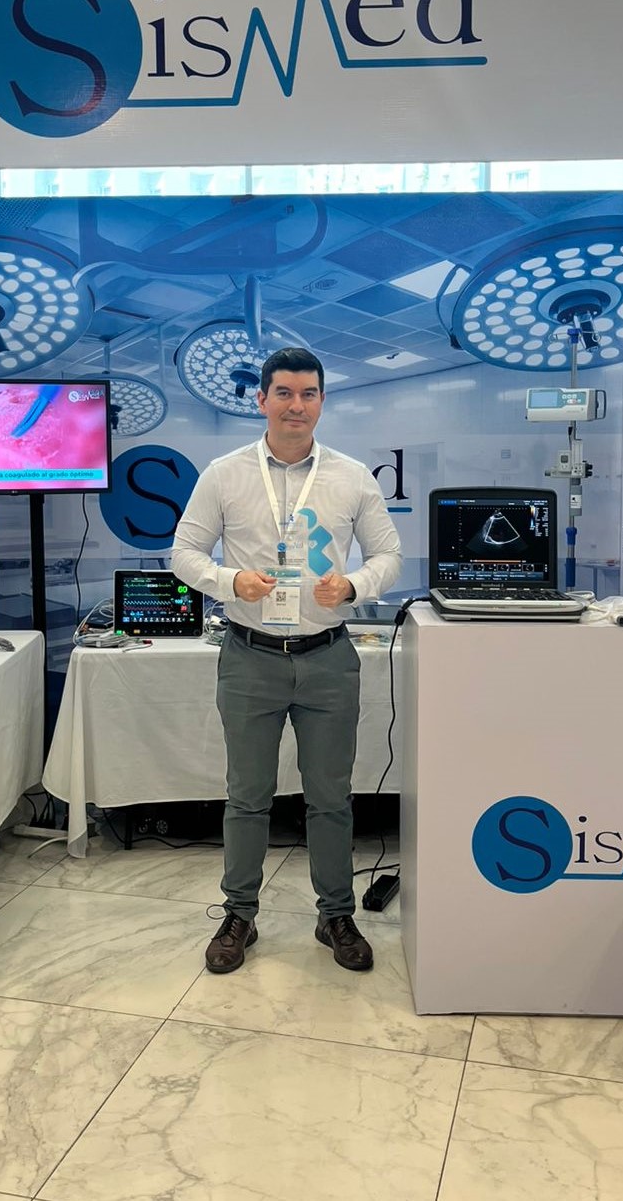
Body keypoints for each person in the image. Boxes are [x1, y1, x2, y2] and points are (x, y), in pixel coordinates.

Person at [171, 346, 402, 974]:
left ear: (322, 401)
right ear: (262, 400)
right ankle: (239, 915)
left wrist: (353, 586)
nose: (296, 406)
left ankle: (336, 915)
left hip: (328, 658)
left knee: (331, 798)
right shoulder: (225, 473)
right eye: (284, 393)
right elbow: (184, 552)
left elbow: (389, 555)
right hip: (250, 656)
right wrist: (229, 581)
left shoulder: (352, 476)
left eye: (308, 394)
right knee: (247, 795)